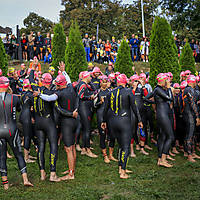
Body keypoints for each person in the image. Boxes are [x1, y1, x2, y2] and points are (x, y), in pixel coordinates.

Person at [34, 74, 79, 180]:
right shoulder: (71, 88)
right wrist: (64, 72)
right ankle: (68, 170)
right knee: (72, 147)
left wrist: (39, 94)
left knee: (68, 148)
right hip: (73, 121)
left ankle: (70, 174)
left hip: (64, 122)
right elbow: (68, 80)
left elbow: (49, 99)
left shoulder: (58, 93)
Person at [102, 74, 143, 179]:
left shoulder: (110, 92)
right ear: (125, 82)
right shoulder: (128, 91)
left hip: (112, 122)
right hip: (124, 121)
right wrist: (139, 120)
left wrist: (103, 121)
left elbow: (105, 109)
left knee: (120, 145)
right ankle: (123, 172)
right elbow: (134, 107)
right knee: (125, 146)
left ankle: (121, 167)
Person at [0, 76, 33, 190]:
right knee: (18, 154)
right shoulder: (14, 98)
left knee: (2, 157)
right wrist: (11, 93)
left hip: (0, 130)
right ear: (8, 85)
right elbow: (19, 109)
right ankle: (25, 180)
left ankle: (6, 185)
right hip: (12, 130)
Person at [31, 72, 60, 182]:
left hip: (38, 122)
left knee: (41, 146)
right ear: (50, 81)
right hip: (48, 121)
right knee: (53, 145)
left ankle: (42, 173)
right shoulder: (50, 92)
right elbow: (56, 109)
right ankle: (53, 173)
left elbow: (30, 79)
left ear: (42, 81)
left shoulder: (36, 90)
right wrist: (56, 122)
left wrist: (33, 68)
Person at [145, 73, 175, 168]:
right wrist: (169, 88)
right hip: (163, 115)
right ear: (162, 80)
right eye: (166, 80)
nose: (168, 82)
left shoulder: (157, 89)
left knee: (162, 136)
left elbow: (146, 99)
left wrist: (156, 102)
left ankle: (160, 159)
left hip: (162, 114)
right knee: (170, 137)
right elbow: (170, 99)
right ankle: (163, 159)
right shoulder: (158, 89)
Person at [77, 71, 98, 158]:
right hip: (84, 108)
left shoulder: (84, 84)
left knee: (86, 129)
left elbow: (94, 89)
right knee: (87, 129)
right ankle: (87, 150)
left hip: (84, 108)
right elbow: (80, 95)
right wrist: (90, 97)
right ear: (86, 77)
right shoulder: (83, 84)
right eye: (89, 76)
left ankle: (83, 149)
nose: (91, 78)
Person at [182, 75, 200, 162]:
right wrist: (197, 116)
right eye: (195, 81)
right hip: (189, 114)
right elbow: (193, 104)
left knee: (192, 134)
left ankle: (192, 153)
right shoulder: (189, 89)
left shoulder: (189, 89)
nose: (196, 83)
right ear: (192, 82)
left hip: (189, 114)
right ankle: (189, 155)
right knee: (189, 135)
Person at [19, 79, 36, 163]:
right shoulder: (31, 95)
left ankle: (28, 154)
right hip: (27, 117)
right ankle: (26, 158)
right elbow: (33, 108)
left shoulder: (21, 94)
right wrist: (32, 116)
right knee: (27, 137)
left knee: (27, 135)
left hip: (22, 116)